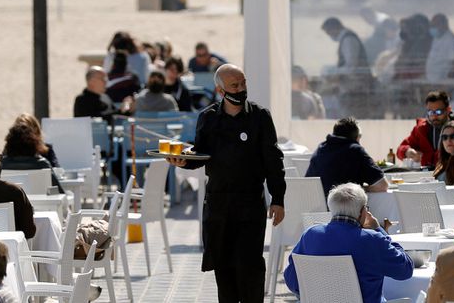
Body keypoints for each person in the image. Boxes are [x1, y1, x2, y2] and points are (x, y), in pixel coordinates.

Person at [165, 64, 285, 303]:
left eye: (243, 83)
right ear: (220, 91)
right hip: (218, 204)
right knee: (223, 267)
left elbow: (273, 160)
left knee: (250, 267)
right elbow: (200, 154)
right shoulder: (208, 118)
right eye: (234, 86)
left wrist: (278, 199)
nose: (241, 89)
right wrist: (183, 162)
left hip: (250, 202)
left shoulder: (260, 116)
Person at [283, 183, 413, 303]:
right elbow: (405, 270)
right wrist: (379, 230)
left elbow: (291, 279)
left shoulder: (310, 235)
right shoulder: (371, 239)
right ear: (363, 211)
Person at [305, 117, 388, 196]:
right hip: (344, 204)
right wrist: (362, 189)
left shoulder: (321, 149)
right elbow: (382, 185)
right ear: (357, 137)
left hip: (316, 204)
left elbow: (307, 184)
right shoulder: (355, 150)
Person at [397, 91, 454, 167]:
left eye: (438, 112)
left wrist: (425, 158)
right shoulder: (421, 128)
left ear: (448, 110)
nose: (434, 116)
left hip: (452, 172)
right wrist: (407, 152)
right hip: (426, 174)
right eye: (431, 112)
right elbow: (400, 149)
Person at [321, 17, 375, 119]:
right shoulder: (346, 39)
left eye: (329, 32)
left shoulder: (348, 40)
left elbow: (351, 66)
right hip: (352, 88)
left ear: (334, 28)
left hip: (355, 89)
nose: (330, 36)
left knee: (352, 117)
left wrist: (334, 74)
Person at [1, 122, 64, 193]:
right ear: (34, 143)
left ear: (8, 144)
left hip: (12, 200)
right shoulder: (42, 164)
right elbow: (59, 192)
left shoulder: (2, 165)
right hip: (41, 200)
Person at [425, 13, 454, 83]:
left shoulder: (451, 40)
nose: (432, 28)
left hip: (443, 81)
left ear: (444, 25)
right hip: (431, 80)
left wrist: (447, 83)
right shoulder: (436, 38)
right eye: (432, 26)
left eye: (435, 25)